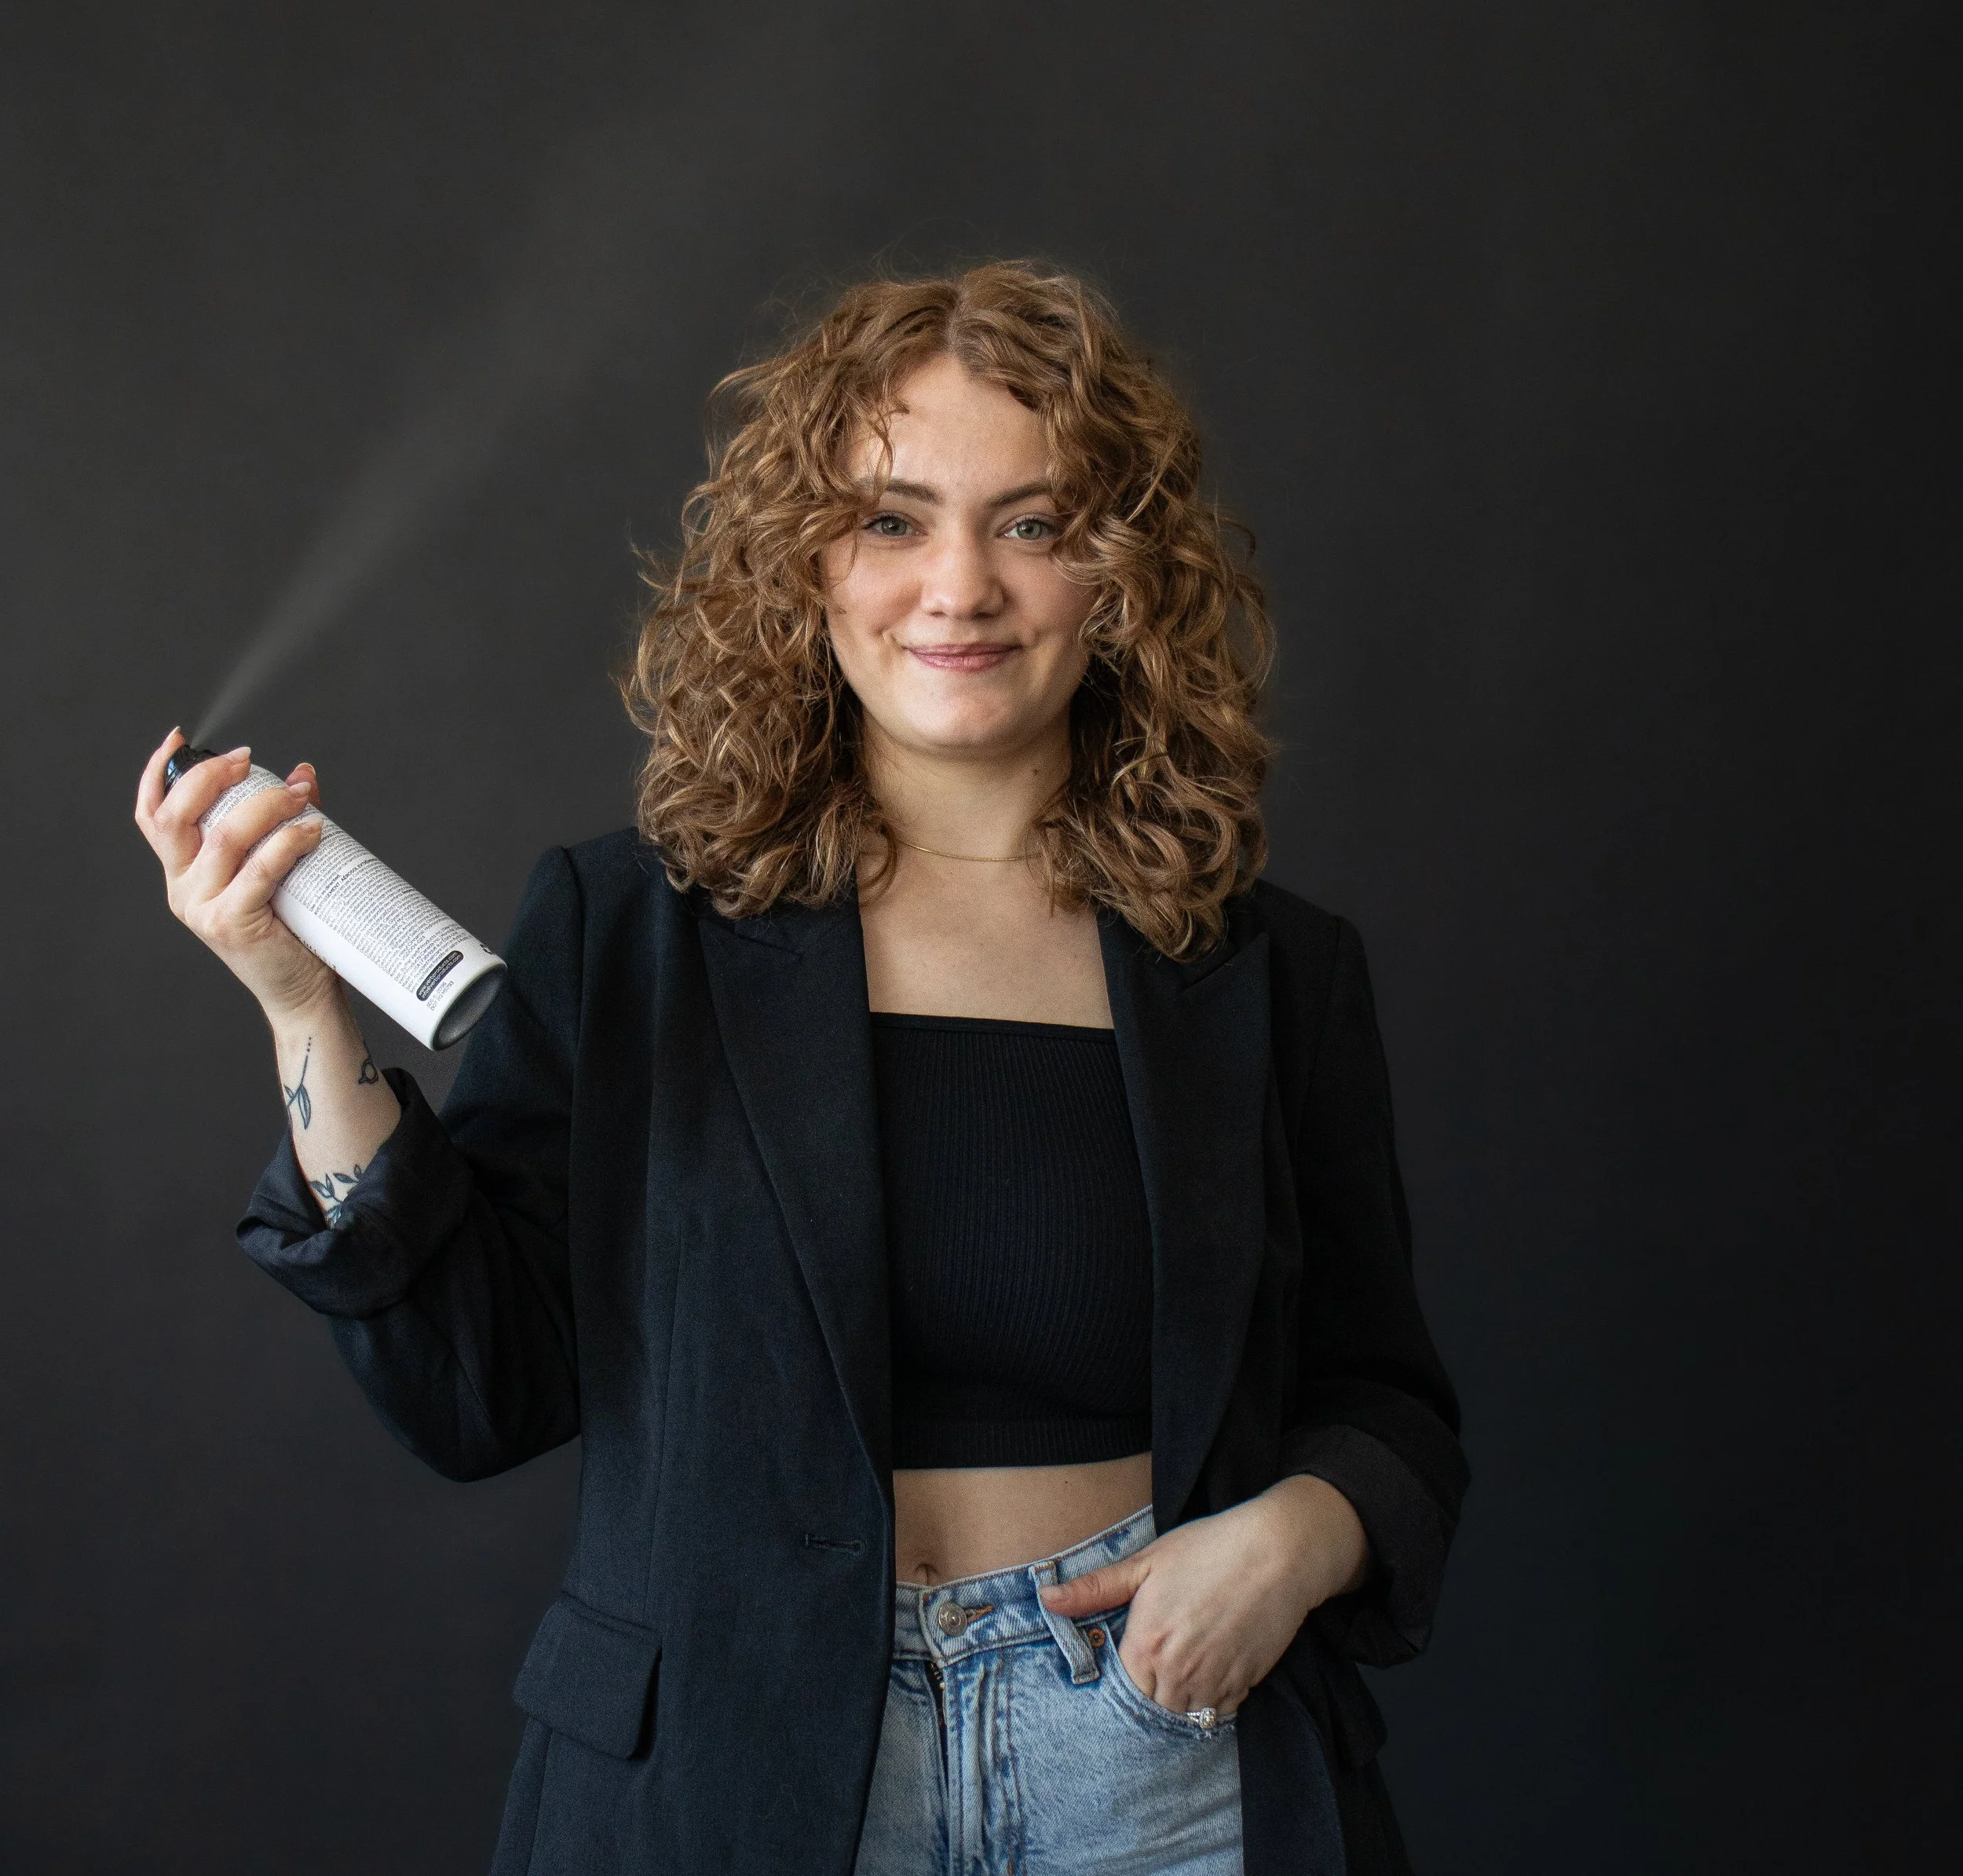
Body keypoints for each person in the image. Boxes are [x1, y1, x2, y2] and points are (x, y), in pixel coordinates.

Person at [134, 262, 1465, 1876]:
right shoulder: (628, 932)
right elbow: (478, 1391)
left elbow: (1386, 1404)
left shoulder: (1272, 973)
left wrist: (1300, 1536)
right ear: (806, 562)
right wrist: (301, 1011)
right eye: (894, 520)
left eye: (1033, 523)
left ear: (1120, 575)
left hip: (1160, 1753)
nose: (959, 587)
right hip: (735, 1767)